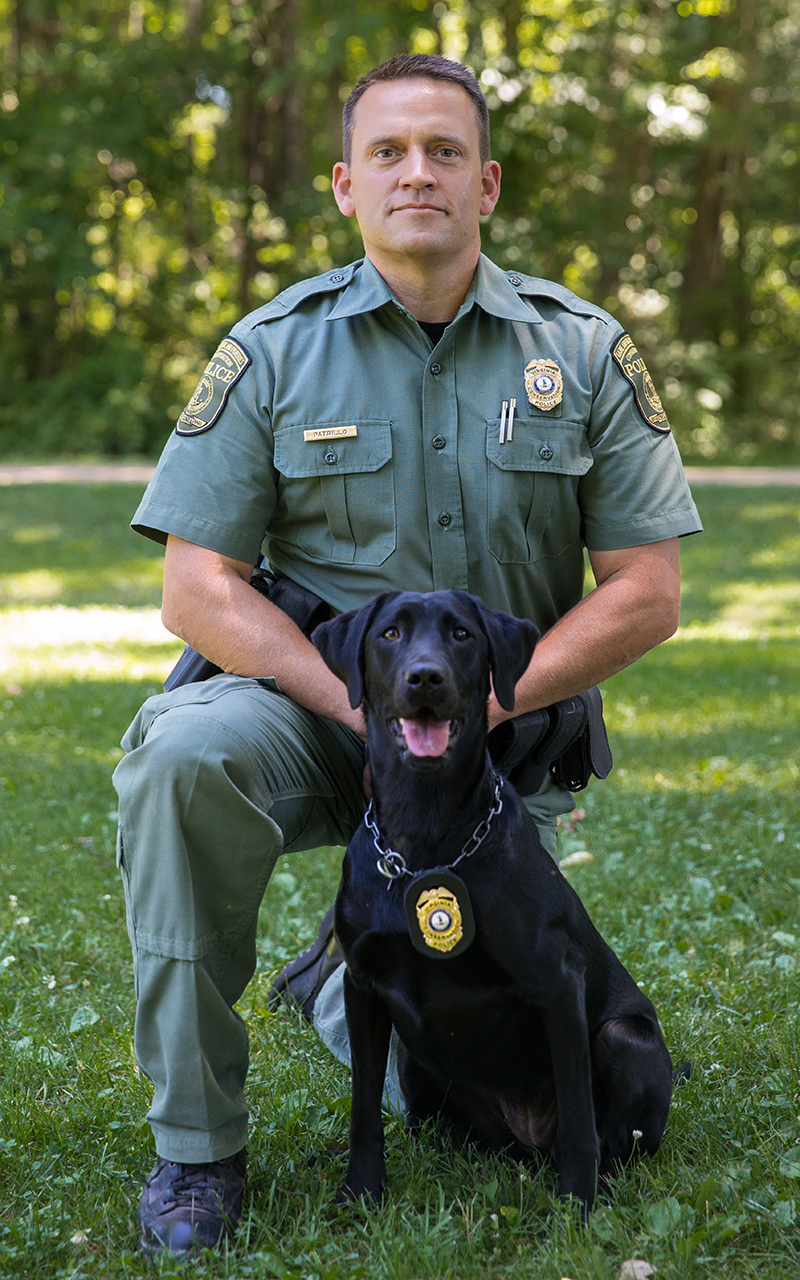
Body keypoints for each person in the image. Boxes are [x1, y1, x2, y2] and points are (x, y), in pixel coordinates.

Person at [113, 53, 701, 1257]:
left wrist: (490, 702)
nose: (416, 173)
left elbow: (646, 591)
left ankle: (344, 979)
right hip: (320, 700)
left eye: (443, 152)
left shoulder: (579, 351)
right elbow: (194, 586)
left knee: (476, 1032)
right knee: (177, 758)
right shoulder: (273, 351)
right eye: (387, 152)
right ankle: (195, 1149)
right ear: (344, 184)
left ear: (485, 184)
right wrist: (359, 708)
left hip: (489, 731)